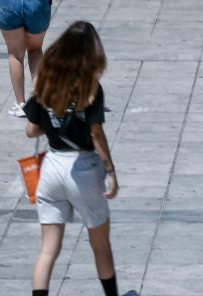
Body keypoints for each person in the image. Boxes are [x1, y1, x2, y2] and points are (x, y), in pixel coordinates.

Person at [23, 21, 122, 296]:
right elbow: (96, 133)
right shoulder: (91, 89)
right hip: (83, 169)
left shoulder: (45, 84)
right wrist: (111, 171)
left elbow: (31, 130)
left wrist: (53, 122)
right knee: (100, 244)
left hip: (51, 169)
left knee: (48, 250)